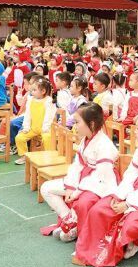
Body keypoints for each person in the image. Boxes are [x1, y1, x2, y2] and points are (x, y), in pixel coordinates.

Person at [74, 110, 138, 266]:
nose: (134, 131)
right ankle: (91, 248)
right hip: (134, 192)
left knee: (130, 225)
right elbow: (130, 176)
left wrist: (128, 203)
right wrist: (119, 196)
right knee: (99, 209)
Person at [40, 103, 117, 243]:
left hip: (100, 185)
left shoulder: (104, 145)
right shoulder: (86, 140)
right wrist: (70, 186)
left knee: (82, 202)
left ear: (91, 124)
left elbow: (101, 176)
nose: (74, 126)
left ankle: (74, 225)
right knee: (46, 188)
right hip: (84, 180)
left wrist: (76, 191)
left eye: (77, 122)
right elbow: (77, 165)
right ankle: (70, 221)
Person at [14, 78, 56, 164]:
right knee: (19, 137)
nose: (32, 92)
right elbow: (27, 115)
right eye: (32, 90)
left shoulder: (48, 101)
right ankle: (24, 156)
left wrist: (46, 128)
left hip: (45, 128)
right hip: (33, 128)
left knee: (47, 138)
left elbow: (49, 117)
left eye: (34, 90)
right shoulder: (30, 100)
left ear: (43, 91)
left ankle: (49, 156)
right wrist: (26, 127)